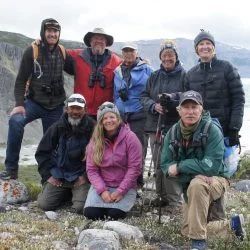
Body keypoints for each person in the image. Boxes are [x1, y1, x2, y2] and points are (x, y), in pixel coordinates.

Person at [161, 90, 246, 250]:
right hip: (189, 183)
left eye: (194, 107)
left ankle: (198, 243)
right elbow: (165, 165)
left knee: (198, 184)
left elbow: (211, 166)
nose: (190, 111)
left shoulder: (212, 130)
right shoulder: (172, 132)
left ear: (201, 109)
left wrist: (180, 167)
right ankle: (231, 226)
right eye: (186, 107)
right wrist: (193, 170)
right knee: (186, 230)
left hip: (217, 178)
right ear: (179, 110)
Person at [0, 18, 73, 180]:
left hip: (56, 106)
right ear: (43, 32)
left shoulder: (62, 52)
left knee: (52, 142)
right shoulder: (32, 50)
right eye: (49, 31)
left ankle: (47, 178)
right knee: (15, 121)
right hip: (34, 102)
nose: (52, 34)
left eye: (55, 31)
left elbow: (76, 69)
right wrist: (19, 104)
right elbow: (20, 80)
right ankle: (11, 169)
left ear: (59, 33)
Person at [141, 40, 185, 207]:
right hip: (155, 125)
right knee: (158, 161)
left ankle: (174, 201)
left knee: (172, 161)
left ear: (176, 57)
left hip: (176, 125)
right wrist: (154, 106)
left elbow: (188, 96)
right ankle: (161, 196)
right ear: (160, 58)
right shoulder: (154, 76)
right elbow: (143, 97)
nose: (167, 58)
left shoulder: (184, 75)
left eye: (171, 55)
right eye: (164, 55)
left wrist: (172, 99)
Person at [35, 93, 95, 213]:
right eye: (72, 108)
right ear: (66, 109)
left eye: (79, 108)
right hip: (59, 175)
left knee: (80, 208)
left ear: (85, 110)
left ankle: (73, 194)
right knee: (44, 205)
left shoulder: (93, 128)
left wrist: (85, 177)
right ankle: (66, 193)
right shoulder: (56, 127)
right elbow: (42, 153)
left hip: (80, 176)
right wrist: (48, 176)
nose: (75, 112)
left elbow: (99, 156)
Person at [185, 29, 245, 146]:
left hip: (225, 131)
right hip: (199, 131)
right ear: (196, 49)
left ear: (213, 47)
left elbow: (239, 99)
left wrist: (234, 128)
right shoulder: (191, 74)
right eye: (201, 44)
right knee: (202, 164)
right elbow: (186, 103)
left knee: (227, 164)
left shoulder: (227, 68)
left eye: (208, 43)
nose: (205, 47)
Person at [84, 102, 142, 220]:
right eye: (105, 118)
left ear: (118, 118)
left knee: (114, 214)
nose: (109, 120)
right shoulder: (95, 141)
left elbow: (134, 168)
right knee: (91, 213)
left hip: (125, 185)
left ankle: (131, 198)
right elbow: (91, 170)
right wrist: (102, 191)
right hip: (103, 185)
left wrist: (121, 191)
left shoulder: (131, 138)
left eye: (112, 117)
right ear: (100, 122)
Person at [114, 42, 153, 185]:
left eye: (131, 51)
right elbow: (115, 94)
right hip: (122, 116)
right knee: (122, 149)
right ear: (122, 53)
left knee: (138, 149)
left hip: (140, 114)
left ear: (137, 52)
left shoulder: (147, 70)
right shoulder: (117, 71)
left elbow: (152, 91)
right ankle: (124, 181)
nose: (128, 54)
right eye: (125, 51)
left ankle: (137, 182)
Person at [67, 28, 122, 120]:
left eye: (102, 39)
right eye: (96, 38)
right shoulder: (77, 56)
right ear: (90, 41)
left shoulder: (116, 61)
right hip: (81, 111)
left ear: (106, 42)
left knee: (101, 135)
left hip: (104, 113)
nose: (99, 41)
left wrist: (139, 61)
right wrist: (41, 43)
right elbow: (59, 51)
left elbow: (130, 64)